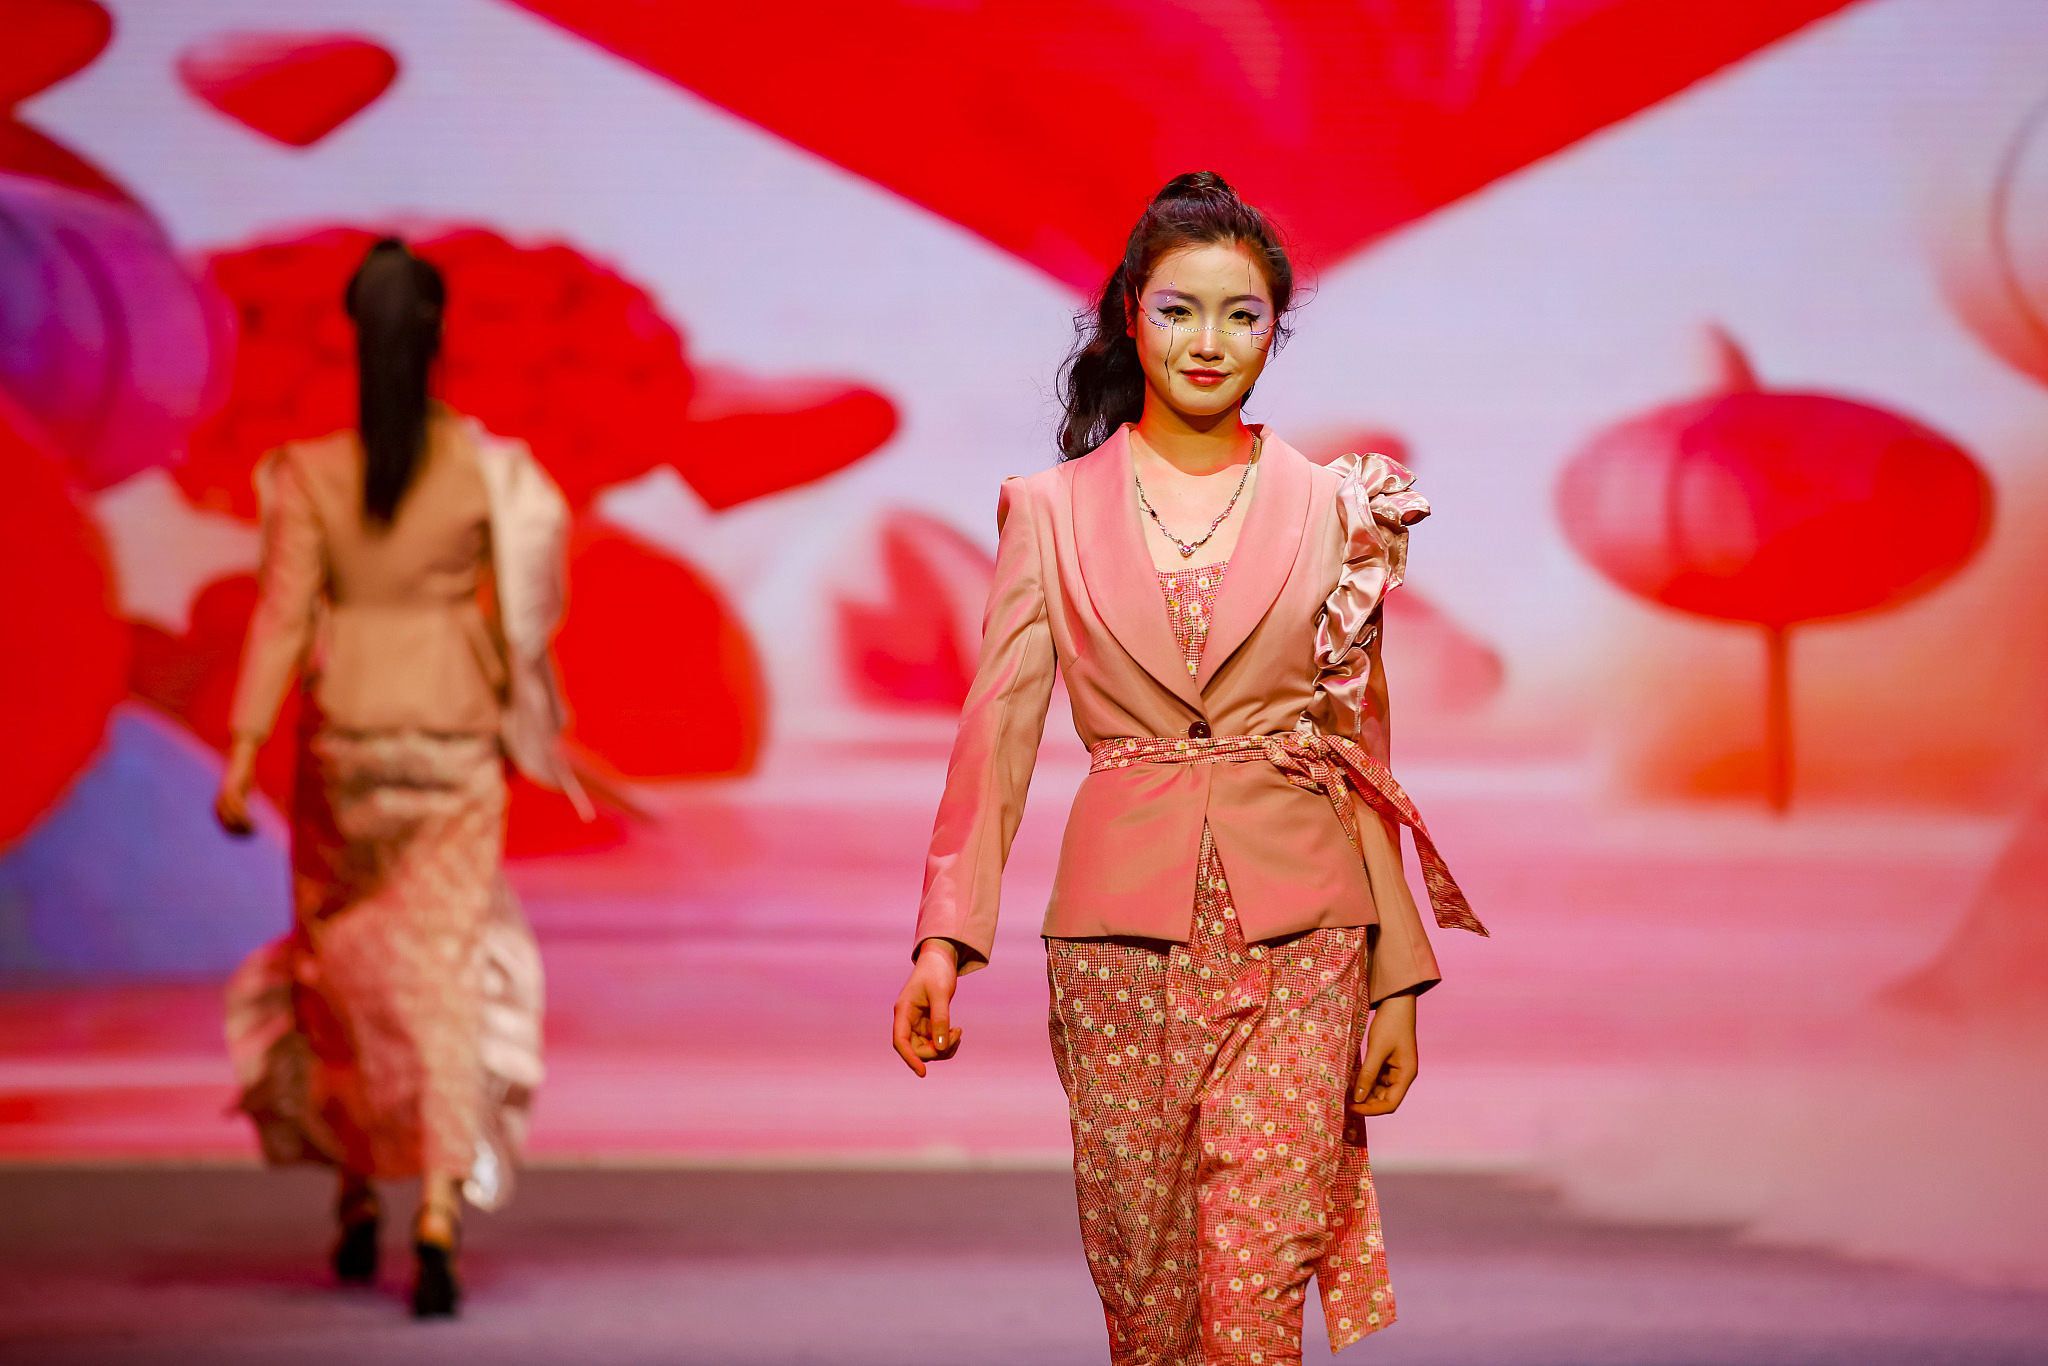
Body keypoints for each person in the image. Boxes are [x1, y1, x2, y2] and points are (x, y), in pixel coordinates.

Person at [892, 173, 1487, 1364]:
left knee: (1255, 1288)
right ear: (1127, 315)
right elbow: (996, 733)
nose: (1208, 342)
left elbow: (1358, 750)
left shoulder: (1334, 507)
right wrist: (942, 940)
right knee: (1148, 1294)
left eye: (1240, 315)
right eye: (1178, 311)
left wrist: (1398, 980)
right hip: (1118, 940)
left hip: (1302, 931)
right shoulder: (1047, 512)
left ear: (1273, 331)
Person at [213, 238, 587, 1318]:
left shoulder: (307, 472)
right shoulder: (487, 469)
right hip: (452, 738)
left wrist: (240, 756)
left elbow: (282, 618)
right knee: (442, 965)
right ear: (434, 339)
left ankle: (352, 1193)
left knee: (343, 972)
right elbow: (528, 603)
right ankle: (434, 1202)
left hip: (345, 739)